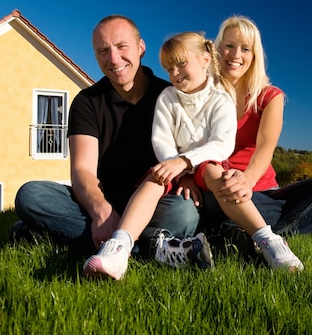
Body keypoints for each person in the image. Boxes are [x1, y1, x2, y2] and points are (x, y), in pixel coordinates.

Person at [82, 32, 303, 280]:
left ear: (205, 60)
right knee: (155, 178)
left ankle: (268, 240)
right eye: (169, 68)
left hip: (205, 164)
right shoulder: (167, 97)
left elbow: (222, 143)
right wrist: (175, 166)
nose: (175, 73)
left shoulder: (221, 99)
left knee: (217, 174)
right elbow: (161, 139)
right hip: (171, 163)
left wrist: (186, 162)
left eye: (181, 64)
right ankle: (119, 248)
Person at [13, 15, 207, 268]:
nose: (114, 59)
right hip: (101, 199)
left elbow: (191, 148)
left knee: (184, 213)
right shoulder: (87, 102)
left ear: (141, 48)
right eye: (103, 50)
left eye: (121, 46)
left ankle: (68, 236)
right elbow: (82, 170)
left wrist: (188, 175)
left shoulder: (169, 95)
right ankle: (152, 246)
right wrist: (101, 212)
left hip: (155, 202)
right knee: (31, 195)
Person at [194, 15, 312, 253]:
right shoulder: (201, 94)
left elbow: (266, 147)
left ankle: (250, 233)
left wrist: (247, 180)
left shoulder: (270, 96)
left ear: (254, 56)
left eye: (245, 49)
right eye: (229, 46)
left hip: (266, 192)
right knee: (219, 201)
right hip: (222, 190)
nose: (236, 55)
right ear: (217, 50)